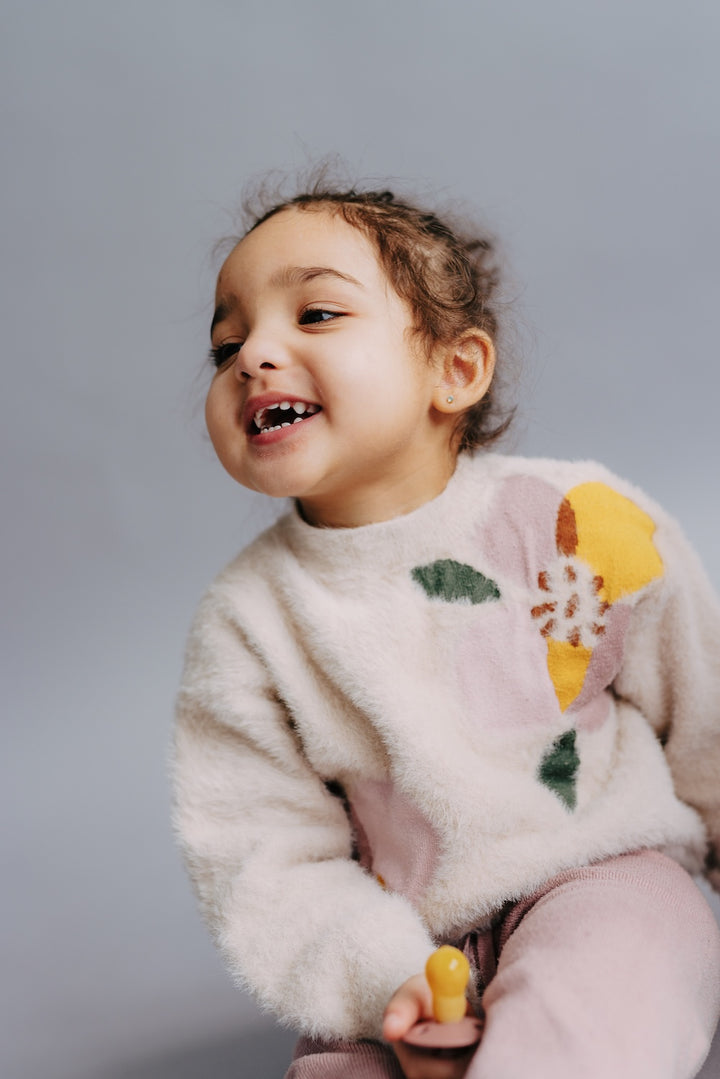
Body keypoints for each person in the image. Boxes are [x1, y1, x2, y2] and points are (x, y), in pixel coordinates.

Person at [173, 180, 720, 1079]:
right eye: (226, 344)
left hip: (601, 879)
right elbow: (261, 859)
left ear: (454, 370)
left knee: (603, 995)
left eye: (315, 314)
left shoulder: (579, 520)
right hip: (399, 945)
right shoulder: (245, 621)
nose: (253, 356)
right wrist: (390, 984)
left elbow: (707, 723)